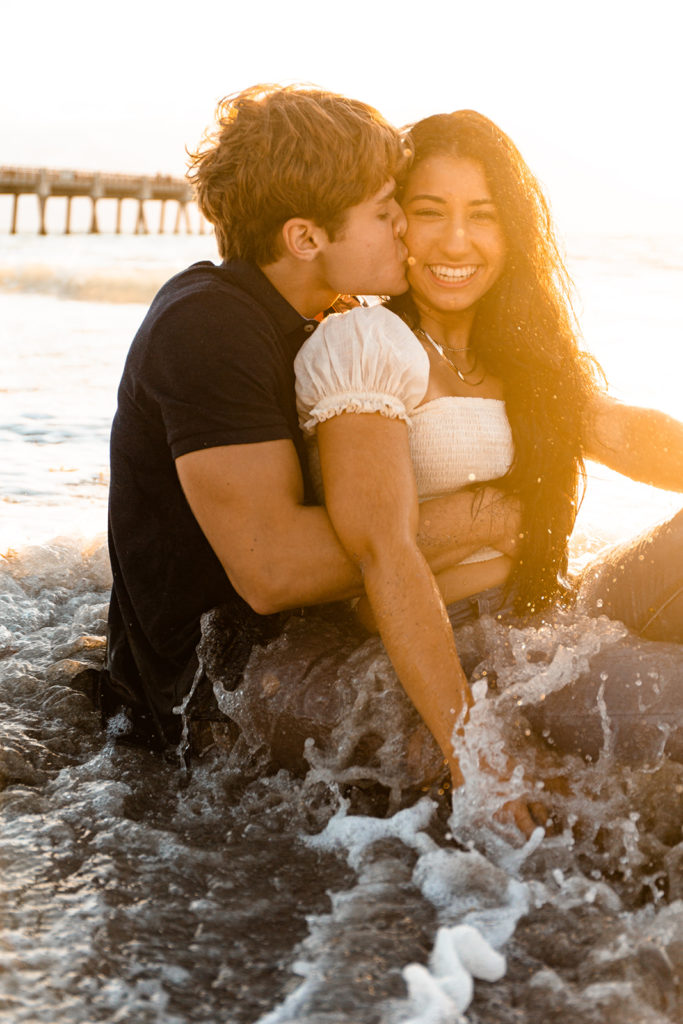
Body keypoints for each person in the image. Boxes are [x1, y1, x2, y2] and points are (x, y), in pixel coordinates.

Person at [102, 88, 523, 774]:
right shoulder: (208, 326)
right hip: (202, 699)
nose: (405, 232)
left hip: (292, 645)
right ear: (305, 238)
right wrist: (484, 516)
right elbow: (273, 570)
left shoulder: (322, 317)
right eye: (387, 212)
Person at [293, 110, 683, 804]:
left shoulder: (522, 358)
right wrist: (470, 747)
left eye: (482, 215)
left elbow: (626, 433)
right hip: (471, 650)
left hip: (552, 615)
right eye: (429, 211)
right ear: (395, 222)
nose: (456, 240)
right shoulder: (367, 344)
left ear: (512, 231)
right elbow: (377, 556)